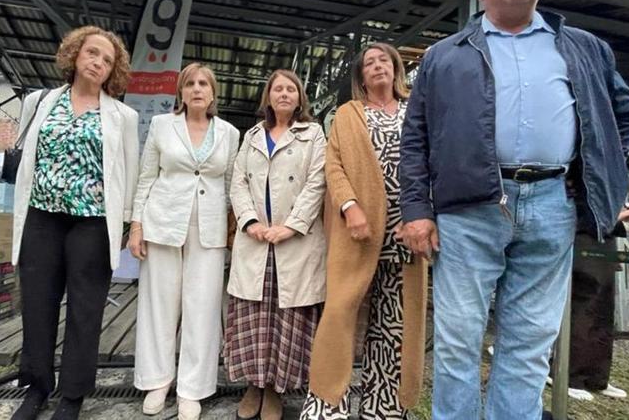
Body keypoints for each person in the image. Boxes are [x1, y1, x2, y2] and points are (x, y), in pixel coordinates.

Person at [399, 0, 629, 419]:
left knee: (529, 341)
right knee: (457, 339)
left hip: (554, 203)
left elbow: (625, 115)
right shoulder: (444, 56)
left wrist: (600, 181)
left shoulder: (585, 48)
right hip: (469, 210)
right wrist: (416, 212)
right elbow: (416, 139)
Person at [10, 26, 139, 420]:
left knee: (86, 308)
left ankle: (73, 395)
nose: (98, 63)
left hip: (93, 222)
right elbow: (25, 156)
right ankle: (36, 387)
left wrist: (127, 223)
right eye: (92, 53)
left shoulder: (123, 116)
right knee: (38, 303)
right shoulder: (39, 102)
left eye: (107, 60)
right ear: (75, 54)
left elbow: (130, 173)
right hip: (42, 216)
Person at [301, 43, 428, 419]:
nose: (377, 67)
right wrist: (349, 206)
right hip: (359, 231)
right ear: (360, 76)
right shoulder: (348, 113)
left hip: (406, 235)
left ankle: (384, 408)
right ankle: (326, 407)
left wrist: (422, 214)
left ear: (395, 69)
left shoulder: (416, 113)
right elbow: (334, 164)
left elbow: (430, 163)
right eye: (369, 63)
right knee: (340, 316)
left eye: (383, 61)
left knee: (395, 325)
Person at [130, 63, 240, 420]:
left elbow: (232, 183)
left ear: (213, 93)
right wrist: (136, 225)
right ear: (181, 92)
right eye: (190, 83)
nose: (197, 88)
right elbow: (146, 177)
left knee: (203, 305)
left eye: (203, 83)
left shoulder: (228, 133)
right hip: (162, 220)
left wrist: (231, 226)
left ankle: (192, 387)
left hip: (208, 228)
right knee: (159, 302)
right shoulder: (163, 126)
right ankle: (157, 380)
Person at [224, 69, 327, 420]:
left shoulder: (313, 134)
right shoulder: (252, 135)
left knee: (286, 317)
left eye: (290, 89)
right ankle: (254, 385)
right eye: (277, 89)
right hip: (255, 241)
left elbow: (318, 183)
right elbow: (237, 182)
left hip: (293, 242)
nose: (283, 94)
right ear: (267, 97)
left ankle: (276, 390)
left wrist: (292, 226)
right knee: (253, 316)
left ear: (300, 97)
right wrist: (250, 221)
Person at [554, 203, 629, 401]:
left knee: (603, 309)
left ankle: (596, 377)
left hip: (605, 234)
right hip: (584, 234)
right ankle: (571, 376)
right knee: (584, 306)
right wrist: (623, 213)